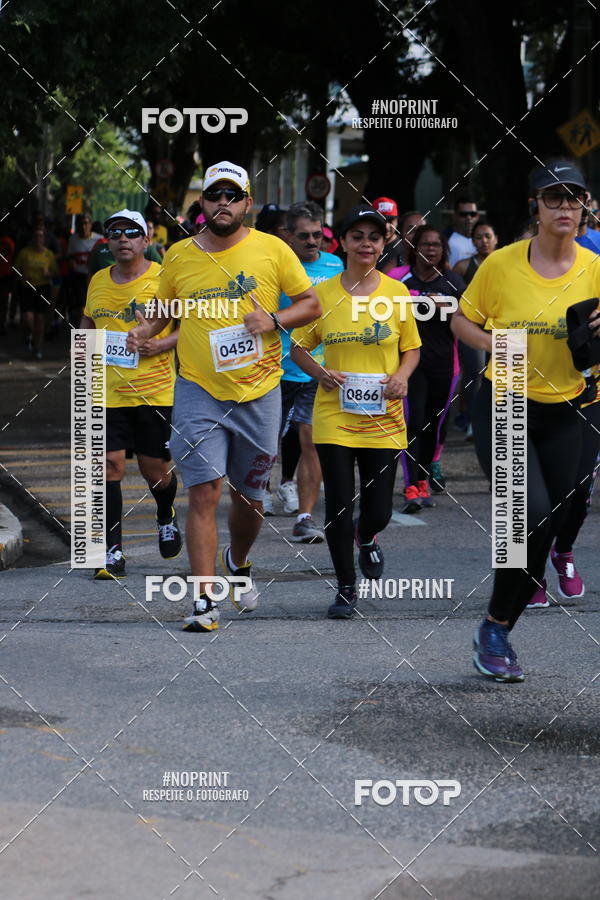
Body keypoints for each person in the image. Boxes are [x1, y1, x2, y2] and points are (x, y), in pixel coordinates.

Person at [127, 161, 320, 632]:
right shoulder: (179, 255)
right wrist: (145, 330)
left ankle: (238, 560)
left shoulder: (272, 249)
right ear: (203, 202)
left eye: (233, 196)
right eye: (215, 195)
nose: (223, 203)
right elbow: (165, 310)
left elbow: (311, 304)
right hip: (198, 390)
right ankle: (203, 601)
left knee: (250, 498)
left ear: (247, 203)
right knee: (204, 492)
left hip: (259, 391)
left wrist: (274, 320)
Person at [452, 158, 600, 683]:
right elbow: (461, 320)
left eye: (573, 198)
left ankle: (498, 625)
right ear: (536, 206)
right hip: (507, 399)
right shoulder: (502, 264)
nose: (565, 207)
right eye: (553, 197)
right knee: (527, 518)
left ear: (585, 207)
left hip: (568, 407)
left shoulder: (595, 267)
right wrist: (495, 344)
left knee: (548, 525)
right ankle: (495, 628)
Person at [291, 204, 420, 619]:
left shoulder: (397, 293)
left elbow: (411, 349)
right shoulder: (323, 295)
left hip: (384, 417)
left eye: (374, 238)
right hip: (336, 416)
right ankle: (346, 586)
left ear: (384, 245)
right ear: (343, 242)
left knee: (379, 509)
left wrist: (402, 376)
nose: (366, 244)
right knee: (339, 505)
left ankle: (368, 536)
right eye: (358, 236)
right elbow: (298, 347)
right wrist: (320, 373)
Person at [80, 209, 181, 579]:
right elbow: (88, 321)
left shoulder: (164, 278)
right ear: (107, 241)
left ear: (146, 240)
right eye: (115, 233)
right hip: (106, 392)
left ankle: (165, 513)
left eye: (131, 232)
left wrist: (161, 344)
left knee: (155, 472)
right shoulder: (97, 280)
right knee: (110, 466)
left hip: (155, 392)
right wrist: (81, 354)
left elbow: (188, 327)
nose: (123, 239)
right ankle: (111, 551)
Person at [274, 201, 344, 540]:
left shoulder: (335, 264)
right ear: (288, 235)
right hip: (275, 368)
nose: (312, 241)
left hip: (318, 370)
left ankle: (304, 517)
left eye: (318, 235)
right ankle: (259, 494)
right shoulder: (277, 265)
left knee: (310, 441)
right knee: (265, 445)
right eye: (304, 236)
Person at [389, 226, 465, 510]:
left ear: (443, 250)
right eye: (425, 244)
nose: (430, 249)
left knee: (434, 426)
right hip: (410, 365)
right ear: (414, 247)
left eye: (436, 245)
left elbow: (472, 317)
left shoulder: (453, 282)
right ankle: (410, 487)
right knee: (413, 423)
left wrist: (448, 306)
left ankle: (422, 480)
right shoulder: (399, 279)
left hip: (445, 365)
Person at [453, 221, 500, 440]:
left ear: (496, 239)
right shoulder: (463, 266)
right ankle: (472, 421)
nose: (484, 241)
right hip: (473, 328)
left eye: (488, 236)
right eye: (479, 237)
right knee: (475, 373)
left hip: (501, 327)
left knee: (502, 375)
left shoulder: (507, 263)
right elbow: (452, 297)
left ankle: (499, 422)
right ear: (472, 242)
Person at [14, 225, 58, 358]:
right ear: (32, 238)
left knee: (40, 319)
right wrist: (21, 276)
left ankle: (37, 347)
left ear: (44, 239)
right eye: (36, 236)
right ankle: (31, 335)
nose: (38, 238)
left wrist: (48, 274)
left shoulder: (48, 254)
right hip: (27, 288)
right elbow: (15, 268)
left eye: (41, 236)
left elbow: (56, 273)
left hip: (43, 288)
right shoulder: (24, 252)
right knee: (27, 317)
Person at [67, 214, 100, 325]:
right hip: (79, 276)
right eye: (81, 223)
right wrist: (71, 262)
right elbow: (70, 255)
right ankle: (82, 332)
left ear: (90, 225)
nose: (83, 226)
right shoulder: (73, 239)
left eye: (86, 223)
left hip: (95, 277)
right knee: (81, 308)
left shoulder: (99, 239)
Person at [447, 197, 479, 268]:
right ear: (455, 216)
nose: (469, 217)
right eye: (463, 214)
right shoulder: (448, 243)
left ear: (477, 216)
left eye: (473, 214)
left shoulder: (484, 240)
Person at [0, 223, 15, 335]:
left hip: (5, 275)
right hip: (6, 274)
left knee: (4, 301)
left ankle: (2, 323)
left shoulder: (8, 242)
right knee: (3, 302)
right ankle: (2, 323)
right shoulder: (9, 242)